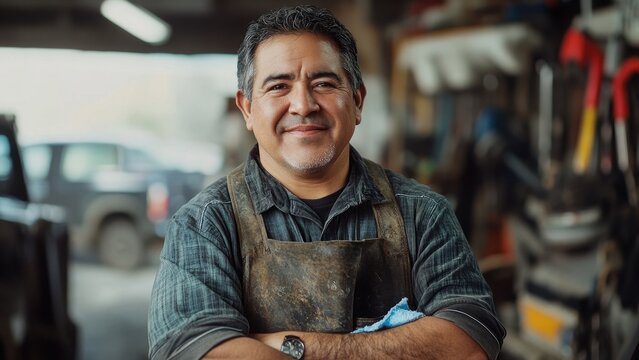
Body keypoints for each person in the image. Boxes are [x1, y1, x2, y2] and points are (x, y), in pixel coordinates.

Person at [148, 5, 505, 360]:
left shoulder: (423, 214)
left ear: (357, 101)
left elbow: (469, 342)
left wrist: (292, 346)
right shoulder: (204, 225)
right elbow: (195, 351)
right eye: (278, 86)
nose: (303, 105)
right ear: (247, 109)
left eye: (323, 83)